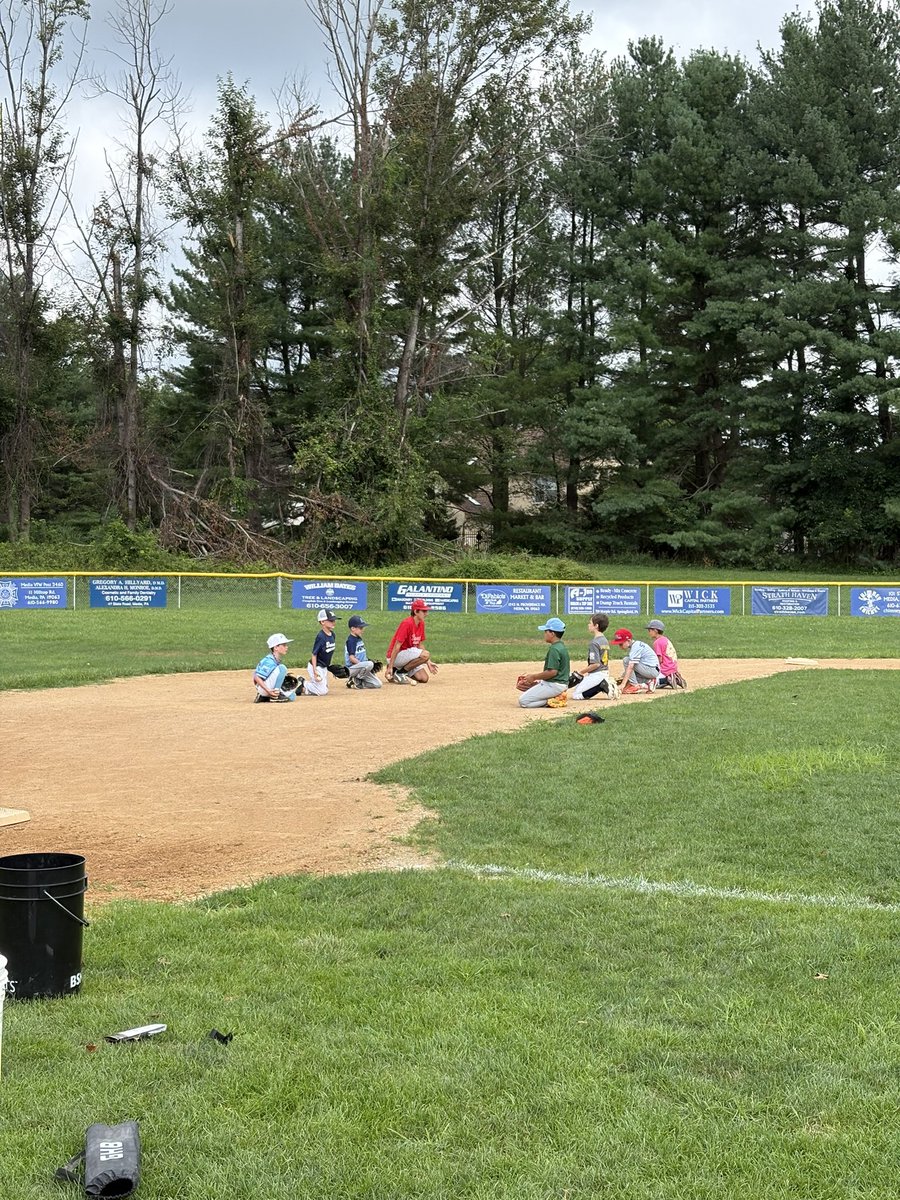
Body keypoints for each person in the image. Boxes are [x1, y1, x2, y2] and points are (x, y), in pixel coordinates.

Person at [517, 617, 571, 708]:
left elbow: (552, 672)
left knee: (523, 701)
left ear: (552, 633)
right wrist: (538, 683)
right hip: (558, 684)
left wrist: (533, 677)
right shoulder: (561, 646)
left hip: (555, 685)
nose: (544, 634)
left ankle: (554, 699)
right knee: (532, 693)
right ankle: (552, 696)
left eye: (546, 631)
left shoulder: (554, 649)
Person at [386, 598, 438, 684]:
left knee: (423, 678)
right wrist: (390, 666)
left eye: (426, 611)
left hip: (407, 656)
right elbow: (397, 646)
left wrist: (428, 662)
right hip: (397, 655)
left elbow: (420, 644)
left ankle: (397, 671)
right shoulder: (407, 623)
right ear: (416, 612)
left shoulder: (421, 623)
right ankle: (400, 672)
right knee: (426, 654)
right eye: (424, 611)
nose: (426, 614)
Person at [570, 612, 616, 701]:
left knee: (576, 695)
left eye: (590, 623)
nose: (588, 625)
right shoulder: (604, 640)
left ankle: (601, 685)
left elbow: (595, 664)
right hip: (604, 672)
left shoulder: (594, 642)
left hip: (597, 674)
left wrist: (580, 672)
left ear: (596, 626)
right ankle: (602, 683)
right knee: (579, 688)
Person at [252, 633, 299, 703]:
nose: (286, 647)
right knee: (282, 668)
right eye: (284, 645)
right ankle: (275, 696)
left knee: (292, 696)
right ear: (276, 647)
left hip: (265, 688)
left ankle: (264, 697)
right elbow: (256, 677)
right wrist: (267, 690)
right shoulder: (269, 661)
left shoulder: (275, 659)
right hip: (264, 688)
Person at [611, 628, 660, 693]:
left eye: (621, 644)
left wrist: (623, 684)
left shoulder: (635, 647)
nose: (620, 646)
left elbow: (631, 667)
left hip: (651, 670)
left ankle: (634, 685)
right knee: (626, 677)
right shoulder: (636, 645)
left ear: (628, 640)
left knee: (626, 661)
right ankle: (649, 682)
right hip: (650, 669)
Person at [345, 615, 383, 689]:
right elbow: (351, 658)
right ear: (353, 628)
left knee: (378, 684)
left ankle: (355, 683)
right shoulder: (351, 641)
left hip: (361, 668)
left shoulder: (358, 638)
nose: (363, 630)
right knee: (370, 664)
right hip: (352, 669)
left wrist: (366, 666)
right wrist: (365, 665)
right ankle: (355, 679)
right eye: (360, 628)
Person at [645, 619, 685, 688]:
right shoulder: (665, 639)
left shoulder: (657, 642)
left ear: (656, 630)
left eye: (650, 630)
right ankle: (674, 677)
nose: (649, 632)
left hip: (664, 670)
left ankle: (667, 680)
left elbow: (659, 660)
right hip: (672, 668)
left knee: (649, 683)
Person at [306, 609, 337, 696]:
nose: (333, 622)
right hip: (316, 666)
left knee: (325, 688)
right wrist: (315, 670)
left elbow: (328, 652)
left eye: (334, 620)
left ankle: (310, 686)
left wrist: (329, 666)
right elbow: (314, 654)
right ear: (322, 622)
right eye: (331, 620)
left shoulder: (332, 635)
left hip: (324, 667)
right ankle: (303, 684)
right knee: (322, 691)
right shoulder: (321, 637)